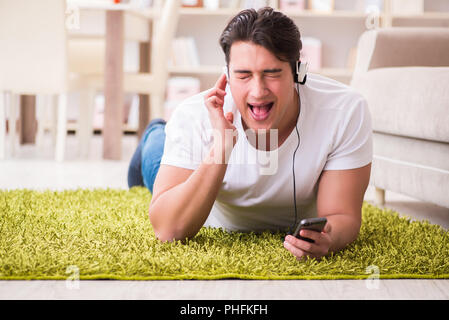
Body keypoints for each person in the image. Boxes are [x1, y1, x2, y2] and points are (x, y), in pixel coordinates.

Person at [127, 7, 372, 260]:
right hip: (196, 178)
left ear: (298, 72)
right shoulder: (194, 114)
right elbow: (168, 230)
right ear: (227, 75)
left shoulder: (344, 110)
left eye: (272, 73)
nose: (258, 91)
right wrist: (221, 148)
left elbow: (343, 216)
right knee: (156, 153)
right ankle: (155, 132)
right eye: (243, 75)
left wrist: (329, 239)